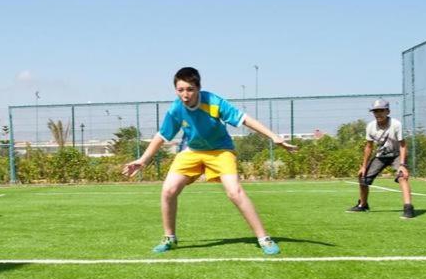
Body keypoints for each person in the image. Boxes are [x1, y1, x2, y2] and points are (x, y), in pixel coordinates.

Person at [122, 66, 297, 255]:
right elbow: (161, 136)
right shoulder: (176, 109)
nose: (185, 94)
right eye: (180, 90)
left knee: (234, 192)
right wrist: (143, 159)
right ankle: (169, 238)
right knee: (168, 190)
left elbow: (244, 119)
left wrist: (274, 137)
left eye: (190, 89)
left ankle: (264, 239)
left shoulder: (213, 101)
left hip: (221, 151)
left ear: (198, 88)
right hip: (193, 151)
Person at [347, 98, 414, 219]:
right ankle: (363, 204)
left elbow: (403, 145)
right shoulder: (370, 126)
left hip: (396, 155)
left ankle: (408, 207)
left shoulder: (396, 124)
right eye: (375, 111)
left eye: (381, 111)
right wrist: (363, 166)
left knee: (402, 176)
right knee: (363, 177)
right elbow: (369, 147)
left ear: (387, 111)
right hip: (381, 156)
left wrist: (403, 165)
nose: (378, 114)